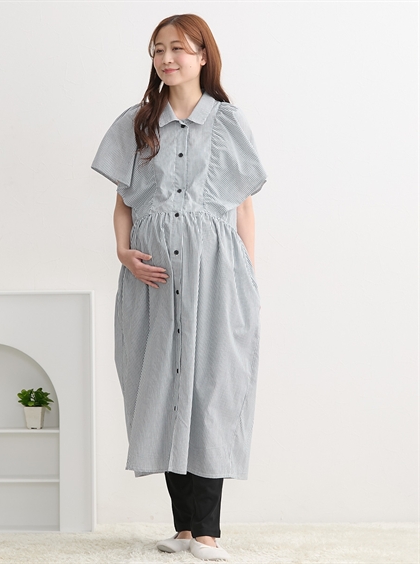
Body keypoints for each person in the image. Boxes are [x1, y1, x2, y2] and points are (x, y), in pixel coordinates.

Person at [91, 13, 268, 562]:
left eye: (179, 49)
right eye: (158, 50)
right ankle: (185, 531)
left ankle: (208, 532)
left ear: (202, 55)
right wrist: (123, 252)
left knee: (210, 388)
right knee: (162, 388)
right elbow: (123, 202)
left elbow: (243, 207)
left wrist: (245, 280)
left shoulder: (228, 122)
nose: (167, 59)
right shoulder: (137, 122)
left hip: (216, 275)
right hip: (152, 276)